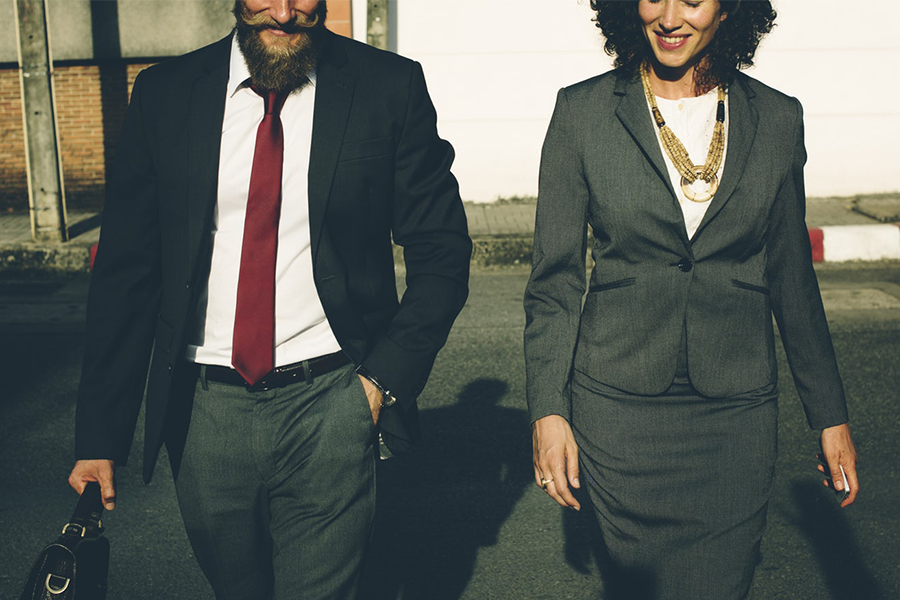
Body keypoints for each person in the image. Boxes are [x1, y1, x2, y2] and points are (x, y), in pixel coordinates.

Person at [67, 0, 471, 597]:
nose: (283, 11)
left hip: (333, 399)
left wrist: (380, 383)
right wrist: (99, 438)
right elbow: (128, 272)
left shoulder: (388, 87)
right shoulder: (165, 94)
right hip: (205, 412)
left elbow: (441, 250)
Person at [524, 1, 859, 598]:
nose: (671, 16)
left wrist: (829, 415)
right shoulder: (582, 112)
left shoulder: (778, 118)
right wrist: (548, 410)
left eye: (694, 0)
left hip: (734, 416)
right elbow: (555, 280)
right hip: (617, 409)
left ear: (730, 10)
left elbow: (791, 277)